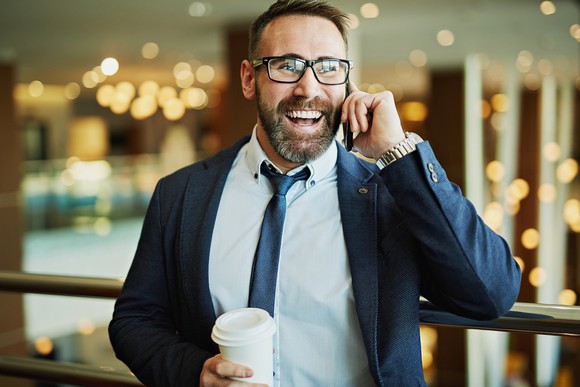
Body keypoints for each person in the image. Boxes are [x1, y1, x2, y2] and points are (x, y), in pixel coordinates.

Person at [109, 1, 521, 386]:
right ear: (249, 79)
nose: (309, 88)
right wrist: (194, 372)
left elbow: (491, 293)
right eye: (287, 66)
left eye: (328, 67)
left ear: (346, 79)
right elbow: (135, 320)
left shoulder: (388, 194)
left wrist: (399, 154)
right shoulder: (181, 194)